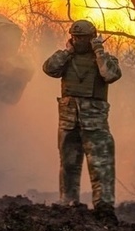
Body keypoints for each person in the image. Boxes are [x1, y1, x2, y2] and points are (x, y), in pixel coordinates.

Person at [42, 19, 122, 220]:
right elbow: (49, 69)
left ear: (92, 38)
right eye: (75, 37)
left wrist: (98, 52)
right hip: (68, 122)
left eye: (82, 37)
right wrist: (67, 52)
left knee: (101, 166)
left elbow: (110, 75)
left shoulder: (105, 59)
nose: (78, 41)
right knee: (68, 164)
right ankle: (68, 203)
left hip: (95, 123)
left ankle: (104, 207)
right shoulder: (66, 59)